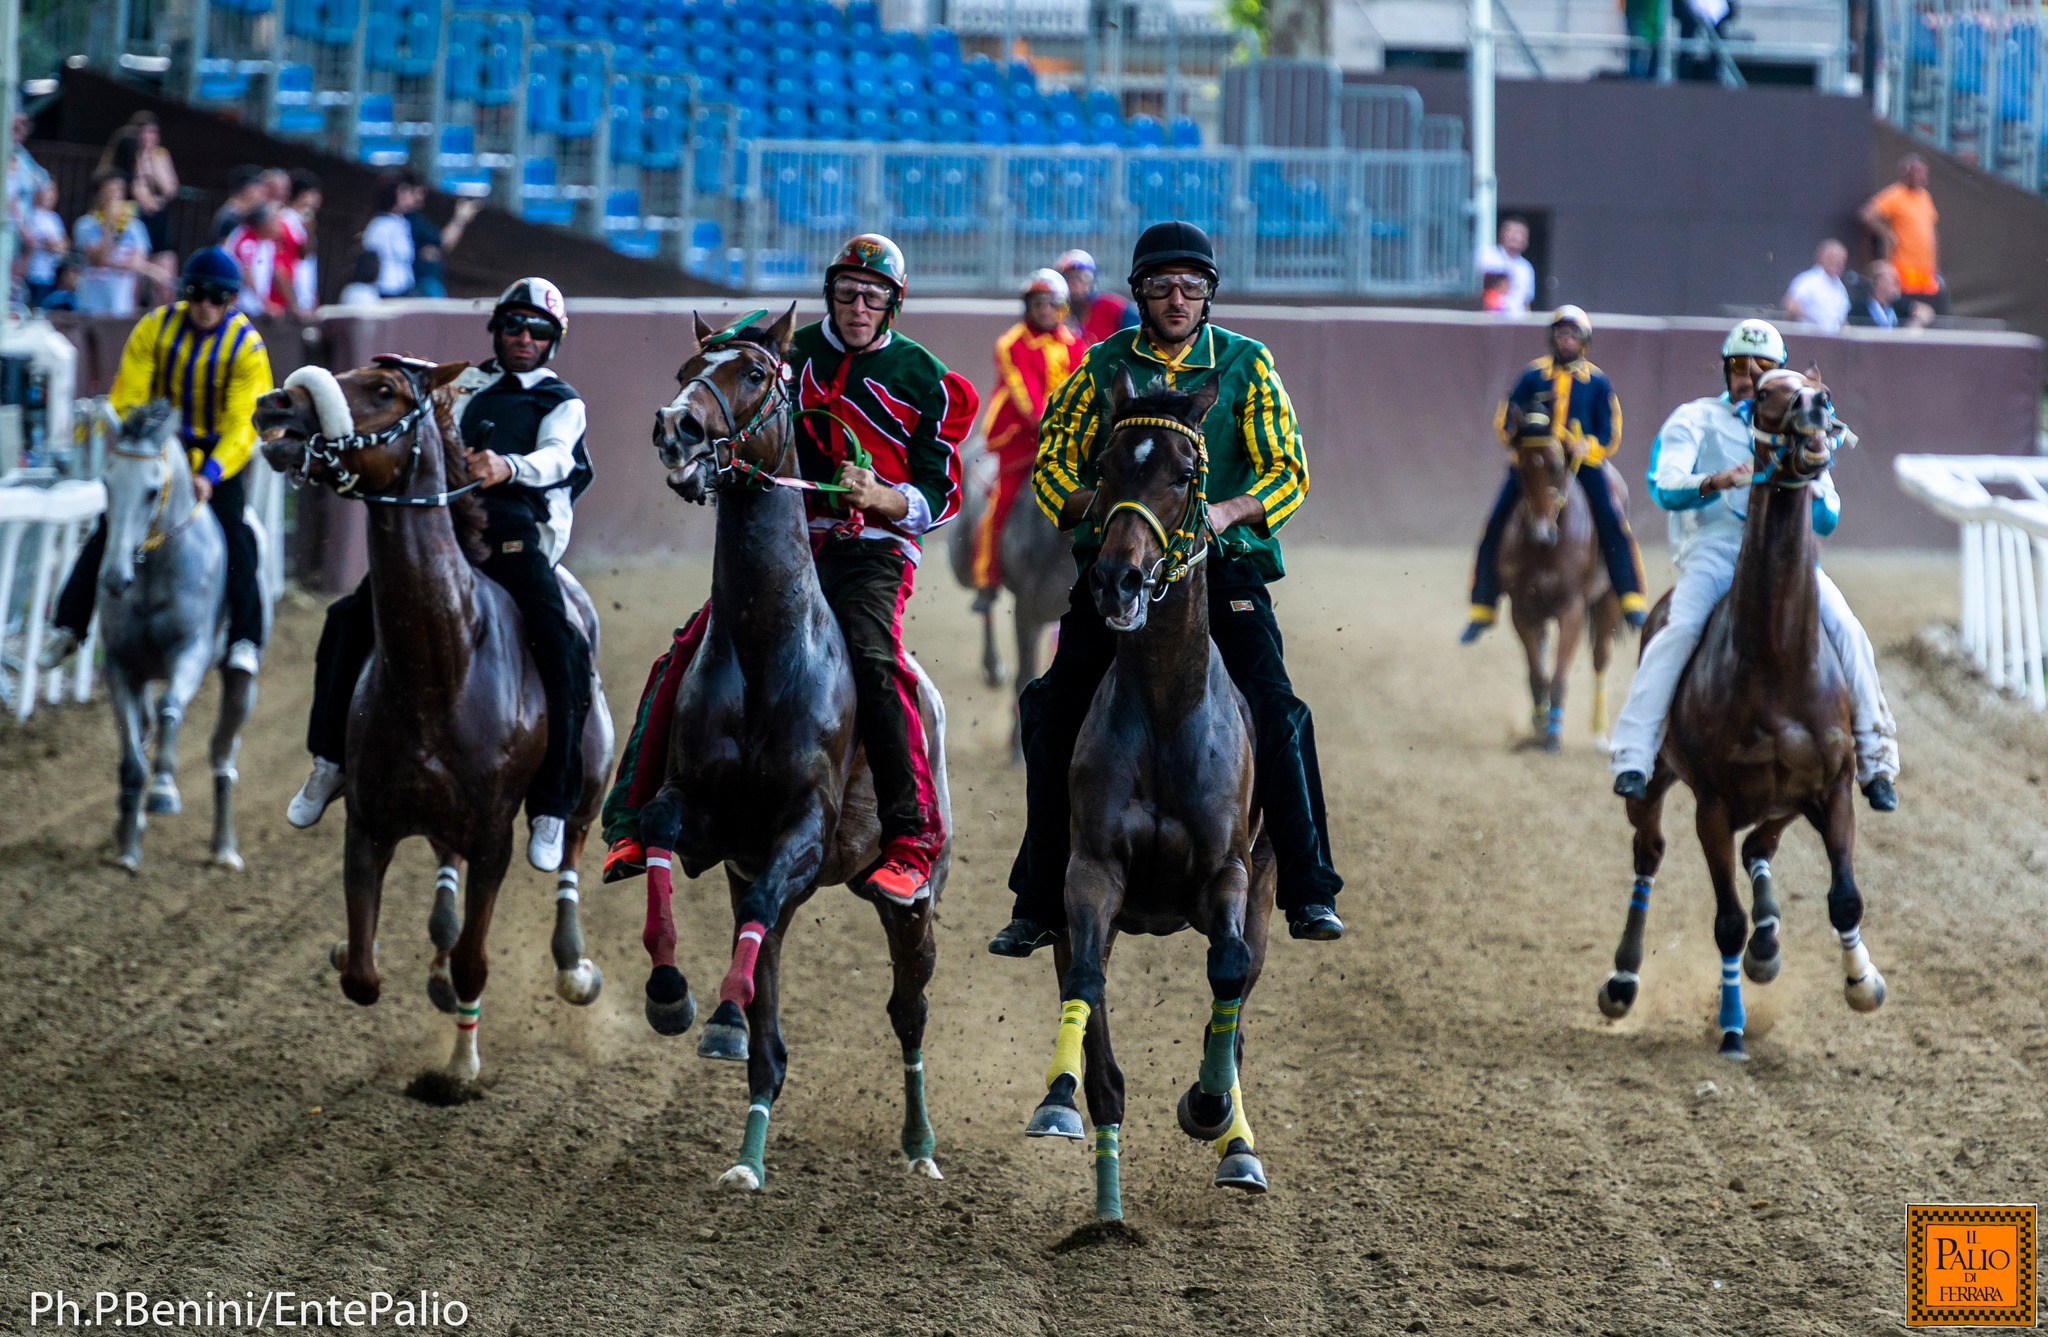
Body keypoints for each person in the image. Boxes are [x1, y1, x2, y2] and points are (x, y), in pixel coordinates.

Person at [985, 220, 1345, 954]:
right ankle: (1037, 896)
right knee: (1051, 706)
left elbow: (1288, 469)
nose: (1176, 298)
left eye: (1191, 286)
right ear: (1139, 295)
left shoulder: (1246, 363)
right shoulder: (1099, 366)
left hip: (1224, 569)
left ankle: (1309, 883)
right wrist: (1120, 512)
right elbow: (1054, 466)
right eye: (1160, 286)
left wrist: (1222, 512)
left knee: (1277, 707)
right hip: (1119, 568)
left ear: (1209, 295)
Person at [596, 233, 980, 903]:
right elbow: (714, 369)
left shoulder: (928, 379)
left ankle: (912, 840)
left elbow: (942, 495)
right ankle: (632, 816)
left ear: (893, 305)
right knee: (686, 649)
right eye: (846, 291)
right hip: (782, 540)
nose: (857, 305)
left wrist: (881, 496)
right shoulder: (780, 343)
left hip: (872, 552)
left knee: (873, 654)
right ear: (829, 293)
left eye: (873, 296)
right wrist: (693, 447)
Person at [287, 278, 597, 871]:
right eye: (513, 326)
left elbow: (559, 457)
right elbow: (399, 389)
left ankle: (553, 805)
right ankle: (329, 762)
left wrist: (506, 465)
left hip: (514, 535)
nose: (523, 339)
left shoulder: (562, 401)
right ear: (497, 330)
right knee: (347, 617)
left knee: (563, 646)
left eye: (537, 331)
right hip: (446, 536)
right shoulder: (460, 383)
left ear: (552, 342)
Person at [1609, 318, 1899, 810]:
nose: (1748, 374)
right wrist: (1719, 480)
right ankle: (1634, 754)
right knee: (1678, 631)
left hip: (1786, 556)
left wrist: (1815, 462)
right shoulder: (1694, 418)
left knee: (1848, 630)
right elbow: (1663, 485)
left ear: (1779, 374)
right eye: (1738, 365)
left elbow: (1827, 518)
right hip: (1715, 550)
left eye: (1761, 366)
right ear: (1725, 370)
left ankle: (1876, 759)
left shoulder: (1804, 425)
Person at [38, 248, 273, 675]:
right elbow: (130, 396)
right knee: (111, 526)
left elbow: (244, 423)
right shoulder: (154, 328)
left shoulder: (247, 347)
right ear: (185, 292)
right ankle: (69, 627)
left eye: (217, 298)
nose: (205, 306)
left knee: (238, 536)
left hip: (216, 463)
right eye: (197, 294)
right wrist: (143, 449)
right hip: (157, 451)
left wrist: (211, 473)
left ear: (231, 301)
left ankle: (244, 639)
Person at [1461, 306, 1648, 642]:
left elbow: (1610, 433)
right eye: (1561, 334)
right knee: (1495, 523)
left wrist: (1586, 446)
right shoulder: (1532, 376)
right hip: (1533, 465)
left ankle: (1629, 597)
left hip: (1581, 467)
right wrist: (1518, 438)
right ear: (1552, 339)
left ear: (1584, 342)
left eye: (1572, 335)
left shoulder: (1597, 382)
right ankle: (1483, 606)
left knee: (1612, 521)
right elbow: (1505, 421)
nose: (1566, 340)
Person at [970, 266, 1080, 608]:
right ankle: (986, 580)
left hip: (1066, 440)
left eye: (1051, 303)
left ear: (1062, 307)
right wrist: (1048, 423)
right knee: (1000, 503)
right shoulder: (1011, 343)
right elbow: (1026, 397)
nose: (1045, 310)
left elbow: (1081, 388)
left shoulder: (1075, 343)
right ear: (1027, 306)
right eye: (1038, 303)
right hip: (1020, 439)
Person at [103, 113, 179, 303]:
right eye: (144, 132)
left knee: (165, 282)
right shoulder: (123, 168)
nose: (148, 137)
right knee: (135, 285)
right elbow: (144, 200)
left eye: (153, 132)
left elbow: (169, 189)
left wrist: (150, 163)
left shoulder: (159, 156)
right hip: (133, 223)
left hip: (156, 224)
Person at [1861, 154, 1945, 317]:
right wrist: (1886, 233)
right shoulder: (1895, 194)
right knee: (1906, 311)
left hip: (1926, 270)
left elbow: (1932, 231)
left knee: (1929, 313)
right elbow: (1867, 215)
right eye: (1917, 172)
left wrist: (1936, 265)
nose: (1921, 177)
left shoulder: (1925, 197)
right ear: (1906, 173)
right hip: (1904, 268)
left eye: (1923, 173)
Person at [72, 171, 161, 317]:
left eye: (118, 191)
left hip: (121, 306)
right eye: (109, 192)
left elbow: (137, 263)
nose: (114, 197)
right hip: (90, 305)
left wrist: (112, 262)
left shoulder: (135, 227)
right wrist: (108, 225)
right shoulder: (85, 224)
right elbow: (97, 259)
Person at [1055, 248, 1138, 348]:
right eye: (1069, 277)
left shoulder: (1115, 309)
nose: (1075, 283)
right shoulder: (1053, 313)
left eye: (1083, 277)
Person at [408, 189, 484, 298]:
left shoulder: (416, 218)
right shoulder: (412, 219)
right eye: (416, 191)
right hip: (423, 281)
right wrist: (460, 217)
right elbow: (444, 241)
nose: (421, 196)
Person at [361, 173, 423, 298]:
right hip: (386, 290)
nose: (408, 196)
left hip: (406, 288)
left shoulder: (403, 223)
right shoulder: (379, 225)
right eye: (403, 191)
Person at [226, 202, 287, 316]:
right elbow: (246, 271)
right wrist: (265, 303)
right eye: (275, 220)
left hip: (255, 308)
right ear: (263, 222)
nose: (279, 225)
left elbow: (276, 273)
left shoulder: (268, 243)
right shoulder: (247, 237)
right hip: (241, 306)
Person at [1784, 239, 1850, 332]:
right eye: (1833, 258)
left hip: (1834, 341)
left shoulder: (1841, 288)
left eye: (1841, 260)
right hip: (1809, 339)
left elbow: (1842, 319)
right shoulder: (1808, 280)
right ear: (1822, 257)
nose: (1838, 263)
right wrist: (1814, 320)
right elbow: (1790, 306)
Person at [21, 179, 66, 307]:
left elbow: (63, 245)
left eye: (52, 190)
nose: (49, 195)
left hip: (47, 276)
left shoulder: (54, 218)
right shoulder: (30, 215)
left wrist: (55, 245)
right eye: (46, 190)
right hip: (30, 275)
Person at [1477, 217, 1537, 315]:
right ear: (1502, 234)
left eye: (1522, 234)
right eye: (1513, 232)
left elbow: (1526, 302)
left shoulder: (1526, 268)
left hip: (1517, 322)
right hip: (1489, 320)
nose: (1518, 237)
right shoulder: (1487, 256)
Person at [282, 172, 323, 312]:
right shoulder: (285, 220)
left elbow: (309, 259)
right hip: (291, 294)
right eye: (315, 194)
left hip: (305, 294)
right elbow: (297, 256)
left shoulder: (306, 222)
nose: (319, 199)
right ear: (303, 194)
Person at [212, 165, 266, 242]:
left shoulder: (235, 212)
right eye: (260, 188)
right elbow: (226, 250)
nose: (263, 193)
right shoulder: (231, 216)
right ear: (248, 189)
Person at [1846, 260, 1902, 329]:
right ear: (1879, 282)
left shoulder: (1898, 312)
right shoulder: (1857, 311)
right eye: (1894, 279)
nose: (1898, 283)